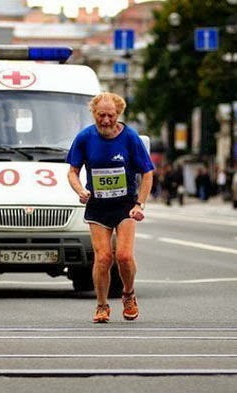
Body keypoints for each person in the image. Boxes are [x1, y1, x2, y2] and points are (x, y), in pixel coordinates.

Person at [66, 92, 154, 323]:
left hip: (125, 205)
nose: (106, 120)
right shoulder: (85, 138)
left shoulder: (130, 138)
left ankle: (128, 294)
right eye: (101, 115)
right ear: (93, 114)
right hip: (97, 206)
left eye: (111, 116)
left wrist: (140, 204)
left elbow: (147, 172)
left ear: (119, 114)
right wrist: (80, 191)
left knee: (124, 256)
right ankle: (102, 305)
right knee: (103, 258)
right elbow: (72, 171)